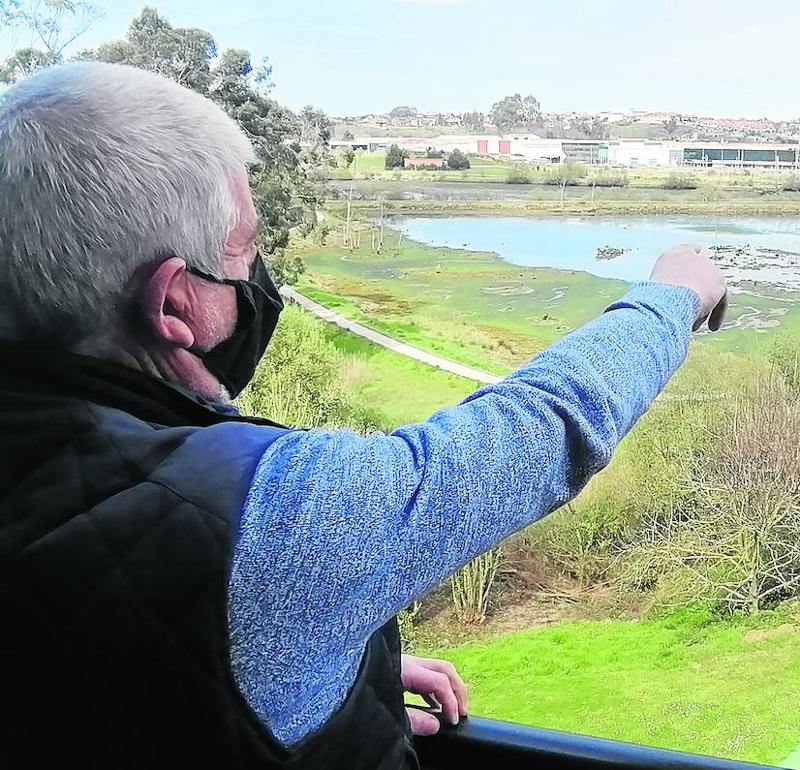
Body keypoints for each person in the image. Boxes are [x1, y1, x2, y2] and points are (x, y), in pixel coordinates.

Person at [0, 63, 727, 769]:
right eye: (247, 251)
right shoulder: (262, 522)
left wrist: (323, 674)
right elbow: (541, 426)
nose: (261, 279)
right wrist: (672, 298)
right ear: (174, 305)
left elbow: (112, 671)